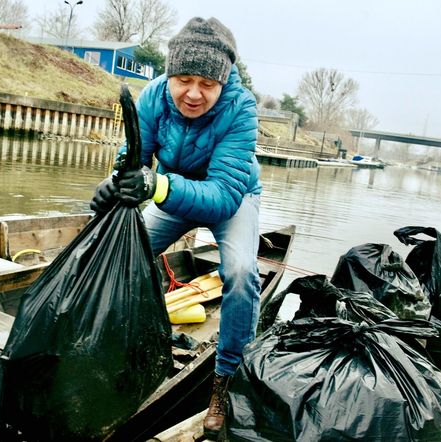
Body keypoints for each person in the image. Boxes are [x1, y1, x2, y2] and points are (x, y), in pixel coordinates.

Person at [90, 16, 261, 439]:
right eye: (183, 79)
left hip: (230, 197)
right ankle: (115, 344)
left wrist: (158, 185)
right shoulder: (153, 97)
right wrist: (112, 186)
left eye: (207, 83)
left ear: (223, 82)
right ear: (169, 74)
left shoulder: (241, 109)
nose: (192, 93)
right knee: (125, 252)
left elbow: (221, 195)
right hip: (170, 191)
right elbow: (134, 159)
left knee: (240, 274)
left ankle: (225, 381)